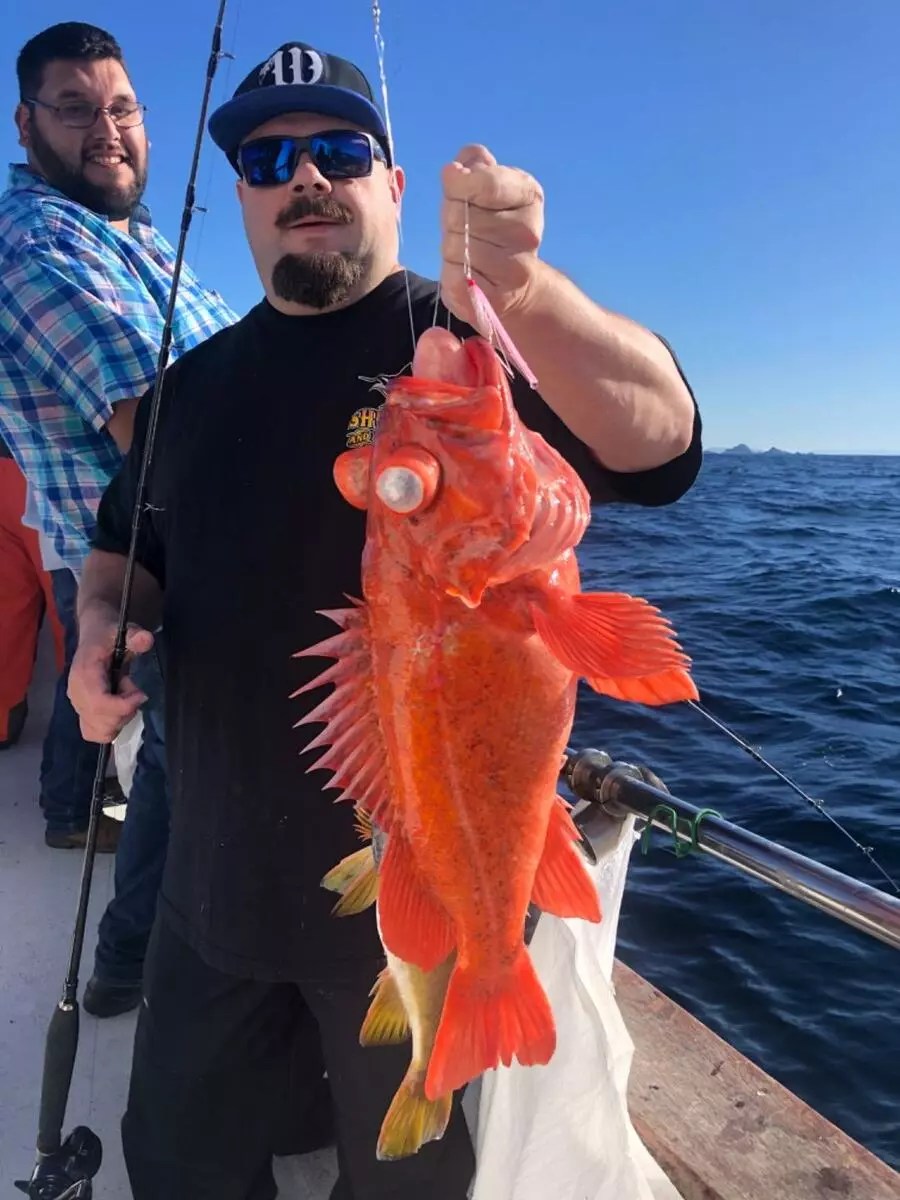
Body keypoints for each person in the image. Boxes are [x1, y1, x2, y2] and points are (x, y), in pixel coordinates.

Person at [69, 39, 703, 1200]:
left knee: (405, 1180)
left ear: (395, 187)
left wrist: (525, 293)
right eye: (269, 162)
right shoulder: (187, 389)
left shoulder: (470, 348)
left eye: (339, 151)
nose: (305, 177)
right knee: (178, 1165)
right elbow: (124, 550)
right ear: (243, 200)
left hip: (408, 909)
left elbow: (662, 445)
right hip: (207, 887)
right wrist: (99, 624)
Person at [0, 21, 237, 1013]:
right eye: (76, 109)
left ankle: (130, 959)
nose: (108, 131)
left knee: (173, 766)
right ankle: (134, 964)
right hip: (145, 561)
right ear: (25, 125)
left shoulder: (133, 237)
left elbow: (238, 363)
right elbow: (163, 422)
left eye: (123, 108)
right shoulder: (34, 245)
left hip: (194, 550)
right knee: (183, 771)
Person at [0, 436, 65, 749]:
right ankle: (84, 735)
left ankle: (2, 721)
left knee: (6, 607)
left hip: (12, 461)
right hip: (46, 464)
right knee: (77, 614)